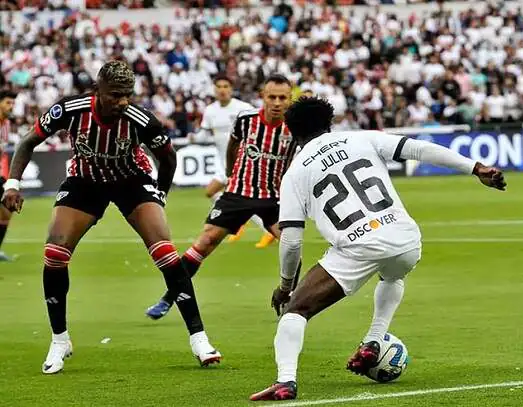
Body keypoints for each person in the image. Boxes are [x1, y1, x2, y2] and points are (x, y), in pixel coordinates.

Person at [250, 97, 507, 401]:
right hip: (406, 238)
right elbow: (419, 149)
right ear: (329, 123)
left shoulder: (294, 173)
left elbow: (291, 240)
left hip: (356, 246)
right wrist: (474, 167)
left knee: (297, 311)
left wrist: (286, 286)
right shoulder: (362, 138)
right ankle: (373, 341)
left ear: (292, 133)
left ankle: (286, 381)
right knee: (393, 276)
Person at [0, 60, 221, 374]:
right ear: (97, 91)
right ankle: (60, 339)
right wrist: (12, 184)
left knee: (165, 252)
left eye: (127, 94)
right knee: (54, 254)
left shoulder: (141, 119)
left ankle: (199, 338)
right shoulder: (70, 109)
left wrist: (160, 193)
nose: (123, 102)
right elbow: (27, 142)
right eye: (115, 95)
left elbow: (168, 158)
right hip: (85, 182)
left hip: (132, 180)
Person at [145, 74, 300, 320]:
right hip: (237, 193)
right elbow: (232, 145)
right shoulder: (246, 119)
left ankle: (288, 297)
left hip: (273, 197)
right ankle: (168, 297)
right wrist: (230, 172)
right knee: (205, 242)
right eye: (272, 97)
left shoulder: (296, 127)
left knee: (292, 244)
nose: (277, 102)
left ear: (290, 99)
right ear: (263, 97)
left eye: (283, 98)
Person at [199, 75, 276, 249]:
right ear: (214, 89)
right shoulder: (210, 111)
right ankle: (245, 223)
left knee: (212, 191)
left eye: (226, 86)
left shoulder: (243, 108)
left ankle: (248, 224)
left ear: (231, 89)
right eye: (219, 86)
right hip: (224, 162)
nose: (222, 89)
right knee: (228, 196)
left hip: (242, 162)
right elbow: (203, 133)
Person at [0, 90, 16, 261]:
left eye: (12, 103)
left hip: (1, 174)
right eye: (8, 103)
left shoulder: (6, 124)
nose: (11, 106)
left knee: (7, 211)